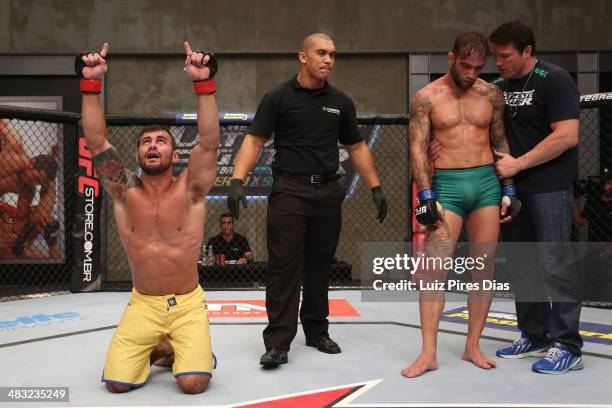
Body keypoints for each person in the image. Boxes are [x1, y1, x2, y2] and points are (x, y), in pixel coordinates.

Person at [228, 32, 388, 368]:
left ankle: (316, 331)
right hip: (290, 190)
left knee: (319, 266)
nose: (328, 59)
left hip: (328, 192)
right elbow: (255, 141)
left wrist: (375, 187)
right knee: (284, 267)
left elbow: (357, 147)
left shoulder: (341, 102)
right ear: (303, 57)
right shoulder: (279, 97)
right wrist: (236, 181)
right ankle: (278, 343)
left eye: (332, 54)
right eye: (321, 53)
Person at [78, 41, 219, 393]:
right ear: (138, 152)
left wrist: (203, 84)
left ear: (174, 152)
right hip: (143, 303)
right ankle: (163, 344)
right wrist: (91, 83)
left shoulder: (191, 188)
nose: (153, 146)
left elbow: (209, 141)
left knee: (193, 384)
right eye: (146, 142)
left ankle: (183, 346)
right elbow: (96, 141)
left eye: (161, 141)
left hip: (187, 303)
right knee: (117, 386)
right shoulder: (123, 189)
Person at [403, 32, 520, 378]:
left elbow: (499, 138)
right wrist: (426, 195)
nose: (471, 73)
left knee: (483, 270)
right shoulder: (426, 97)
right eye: (465, 65)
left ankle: (472, 346)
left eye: (477, 67)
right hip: (447, 187)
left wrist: (509, 187)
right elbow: (417, 148)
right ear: (451, 58)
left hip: (485, 184)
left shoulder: (491, 94)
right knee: (433, 272)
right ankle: (428, 353)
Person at [490, 21, 583, 374]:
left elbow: (567, 136)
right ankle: (534, 333)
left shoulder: (554, 78)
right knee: (522, 262)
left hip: (548, 186)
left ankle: (568, 345)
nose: (498, 63)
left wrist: (519, 164)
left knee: (554, 262)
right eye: (495, 56)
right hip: (512, 191)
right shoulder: (497, 87)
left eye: (505, 56)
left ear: (527, 51)